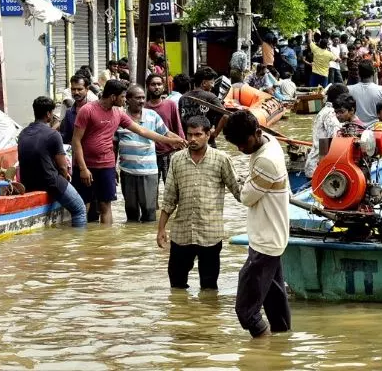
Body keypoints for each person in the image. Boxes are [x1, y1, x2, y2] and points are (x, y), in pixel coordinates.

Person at [71, 79, 186, 225]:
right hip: (86, 166)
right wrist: (82, 168)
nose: (125, 100)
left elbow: (142, 130)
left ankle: (104, 242)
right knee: (83, 205)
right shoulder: (87, 110)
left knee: (106, 205)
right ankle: (79, 244)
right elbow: (76, 141)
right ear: (113, 97)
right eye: (123, 96)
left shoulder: (118, 113)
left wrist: (171, 141)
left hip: (106, 165)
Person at [223, 111, 291, 337]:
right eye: (237, 145)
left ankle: (262, 348)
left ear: (258, 133)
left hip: (265, 242)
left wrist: (246, 182)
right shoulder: (270, 142)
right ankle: (280, 348)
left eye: (244, 143)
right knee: (276, 305)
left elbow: (245, 197)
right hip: (273, 235)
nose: (241, 148)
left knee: (245, 310)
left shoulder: (265, 160)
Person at [157, 116, 241, 290]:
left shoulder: (221, 159)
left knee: (209, 286)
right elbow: (169, 198)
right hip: (182, 233)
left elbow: (239, 191)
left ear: (208, 134)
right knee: (176, 284)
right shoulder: (177, 160)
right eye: (189, 135)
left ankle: (207, 317)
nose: (192, 139)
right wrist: (161, 229)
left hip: (210, 233)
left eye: (197, 134)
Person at [19, 97, 87, 227]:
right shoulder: (53, 134)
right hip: (49, 182)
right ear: (48, 114)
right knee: (80, 210)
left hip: (28, 182)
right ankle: (80, 243)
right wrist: (65, 182)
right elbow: (62, 168)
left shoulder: (23, 133)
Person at [119, 85, 181, 223]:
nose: (141, 101)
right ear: (128, 100)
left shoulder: (152, 115)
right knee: (131, 213)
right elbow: (112, 145)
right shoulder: (120, 117)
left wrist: (179, 141)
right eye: (137, 98)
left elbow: (166, 133)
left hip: (149, 171)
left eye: (143, 98)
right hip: (127, 172)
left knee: (149, 213)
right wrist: (112, 169)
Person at [145, 74, 186, 184]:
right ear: (148, 87)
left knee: (172, 189)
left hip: (169, 153)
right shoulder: (143, 108)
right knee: (152, 190)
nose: (156, 87)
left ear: (163, 87)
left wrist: (183, 148)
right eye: (153, 84)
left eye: (159, 84)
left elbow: (178, 127)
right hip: (150, 155)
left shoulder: (170, 105)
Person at [305, 84, 349, 178]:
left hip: (314, 163)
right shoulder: (331, 113)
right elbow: (334, 140)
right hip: (318, 168)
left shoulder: (324, 110)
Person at [178, 67, 227, 148]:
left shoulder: (183, 98)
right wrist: (214, 134)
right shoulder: (211, 97)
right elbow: (226, 115)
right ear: (204, 83)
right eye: (212, 82)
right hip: (206, 143)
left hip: (189, 142)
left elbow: (180, 120)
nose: (213, 85)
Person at [348, 60, 382, 128]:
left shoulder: (348, 90)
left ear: (359, 73)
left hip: (355, 129)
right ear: (373, 72)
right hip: (376, 129)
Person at [59, 74, 93, 144]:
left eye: (79, 89)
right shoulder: (69, 112)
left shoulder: (94, 109)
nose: (76, 92)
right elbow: (66, 136)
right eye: (73, 89)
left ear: (87, 89)